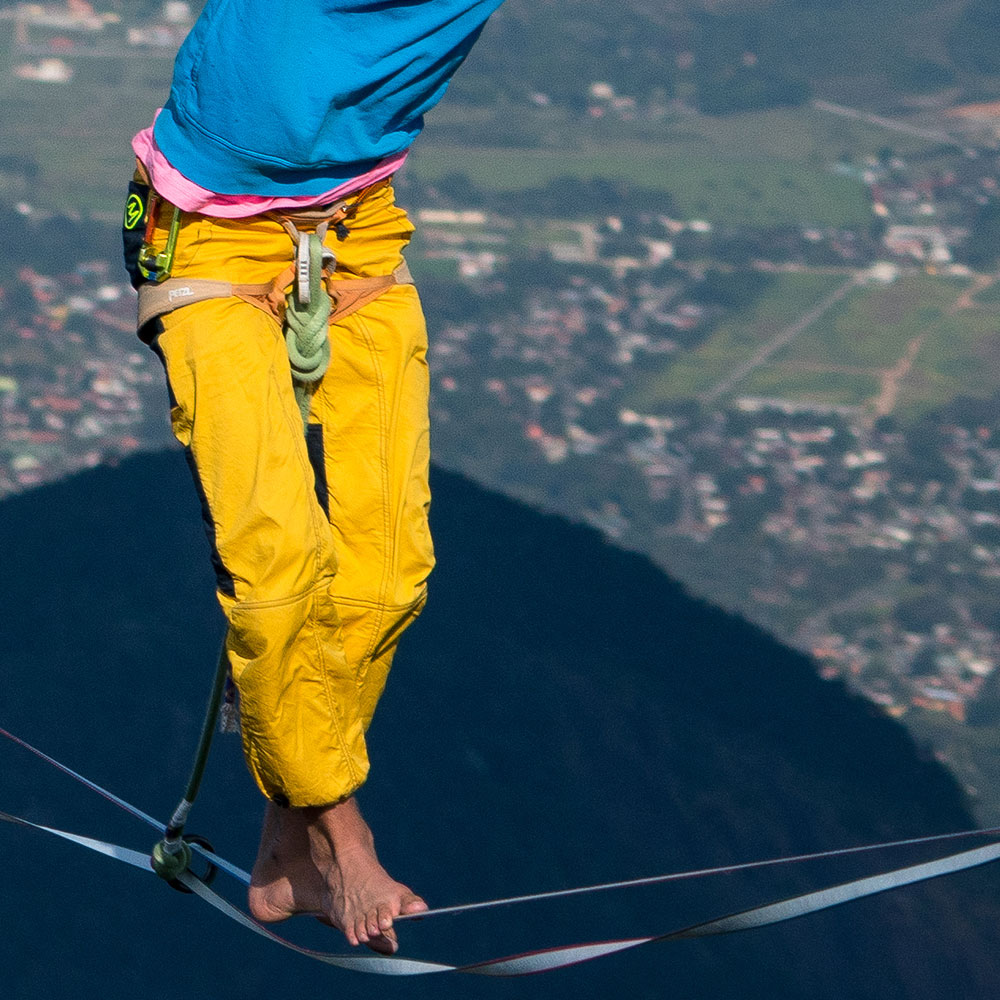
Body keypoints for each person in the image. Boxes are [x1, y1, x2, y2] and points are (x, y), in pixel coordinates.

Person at [124, 0, 504, 955]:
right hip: (209, 235)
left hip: (357, 233)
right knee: (279, 560)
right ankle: (340, 834)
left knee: (389, 574)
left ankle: (286, 846)